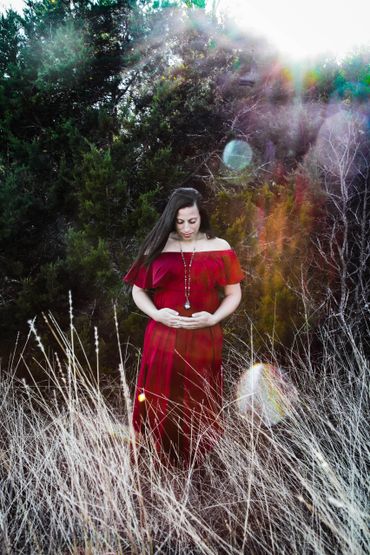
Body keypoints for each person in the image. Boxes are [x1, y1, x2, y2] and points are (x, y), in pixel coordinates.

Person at [123, 188, 243, 467]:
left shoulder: (220, 247)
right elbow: (137, 292)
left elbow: (234, 294)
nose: (187, 227)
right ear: (171, 219)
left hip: (205, 338)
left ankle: (197, 464)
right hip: (163, 337)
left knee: (199, 398)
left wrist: (213, 319)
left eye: (193, 220)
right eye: (180, 222)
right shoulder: (157, 246)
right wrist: (157, 314)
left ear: (202, 216)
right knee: (158, 396)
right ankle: (155, 461)